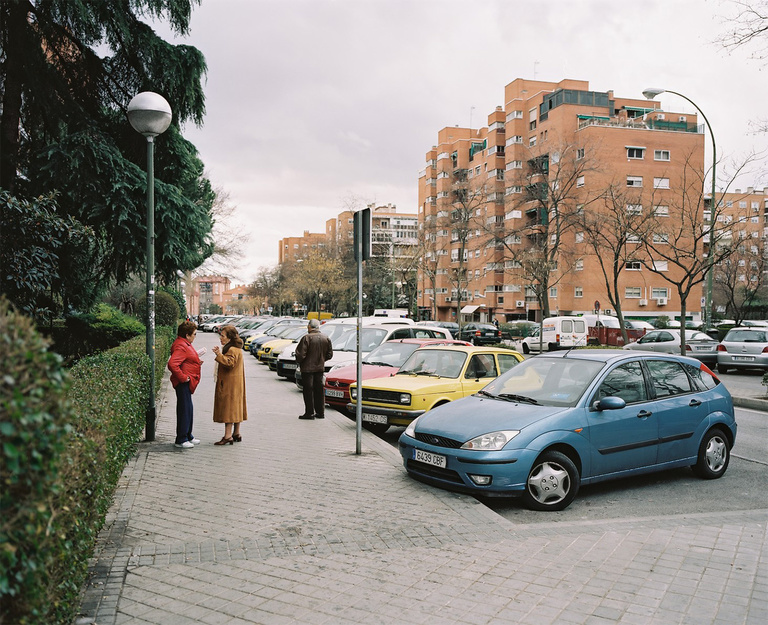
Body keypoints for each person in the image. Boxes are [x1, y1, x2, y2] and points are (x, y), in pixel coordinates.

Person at [167, 320, 203, 449]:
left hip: (187, 381)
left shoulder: (184, 344)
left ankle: (188, 435)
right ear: (187, 335)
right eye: (194, 334)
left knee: (188, 409)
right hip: (184, 383)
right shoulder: (181, 346)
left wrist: (196, 362)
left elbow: (184, 360)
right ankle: (181, 439)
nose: (195, 336)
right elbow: (172, 364)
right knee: (184, 409)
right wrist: (183, 378)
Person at [212, 324, 247, 445]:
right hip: (236, 383)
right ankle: (236, 433)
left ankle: (228, 436)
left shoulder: (231, 349)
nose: (220, 338)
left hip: (230, 384)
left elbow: (229, 363)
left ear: (229, 338)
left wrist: (218, 355)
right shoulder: (237, 348)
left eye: (222, 336)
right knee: (236, 407)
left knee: (229, 409)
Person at [295, 318, 333, 420]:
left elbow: (300, 354)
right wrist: (321, 360)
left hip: (307, 369)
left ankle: (309, 413)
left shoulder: (306, 338)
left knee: (308, 391)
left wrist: (299, 361)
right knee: (319, 391)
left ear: (309, 327)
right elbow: (330, 354)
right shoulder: (326, 338)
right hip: (319, 368)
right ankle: (320, 412)